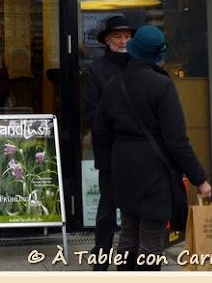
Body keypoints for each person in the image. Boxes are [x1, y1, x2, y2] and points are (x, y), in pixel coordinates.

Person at [93, 25, 212, 271]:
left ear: (134, 50)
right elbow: (176, 140)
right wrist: (199, 178)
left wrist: (108, 165)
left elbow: (100, 130)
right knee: (150, 238)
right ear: (158, 55)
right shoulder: (162, 85)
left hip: (123, 164)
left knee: (128, 232)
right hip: (153, 170)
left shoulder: (114, 85)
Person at [83, 15, 134, 270]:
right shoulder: (96, 69)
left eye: (127, 37)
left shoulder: (141, 65)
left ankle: (134, 254)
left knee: (138, 205)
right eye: (117, 36)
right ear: (106, 40)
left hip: (140, 150)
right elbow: (92, 113)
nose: (123, 41)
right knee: (107, 205)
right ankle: (101, 254)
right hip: (111, 148)